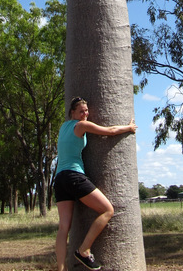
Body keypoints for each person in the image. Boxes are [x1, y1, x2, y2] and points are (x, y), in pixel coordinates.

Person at [54, 96, 137, 271]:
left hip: (59, 178)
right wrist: (129, 128)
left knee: (63, 228)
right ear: (72, 113)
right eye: (81, 111)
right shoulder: (82, 125)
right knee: (107, 210)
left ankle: (61, 268)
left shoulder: (63, 127)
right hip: (73, 176)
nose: (85, 114)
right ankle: (84, 250)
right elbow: (111, 131)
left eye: (86, 110)